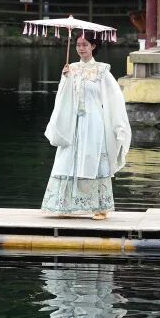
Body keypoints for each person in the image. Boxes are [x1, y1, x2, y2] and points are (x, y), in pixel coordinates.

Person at [42, 32, 132, 220]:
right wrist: (65, 80)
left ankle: (101, 207)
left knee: (94, 159)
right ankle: (66, 205)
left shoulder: (102, 71)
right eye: (78, 45)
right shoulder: (71, 68)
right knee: (68, 159)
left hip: (93, 122)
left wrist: (119, 126)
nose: (81, 48)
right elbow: (63, 98)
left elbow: (114, 98)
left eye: (85, 44)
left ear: (93, 46)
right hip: (73, 121)